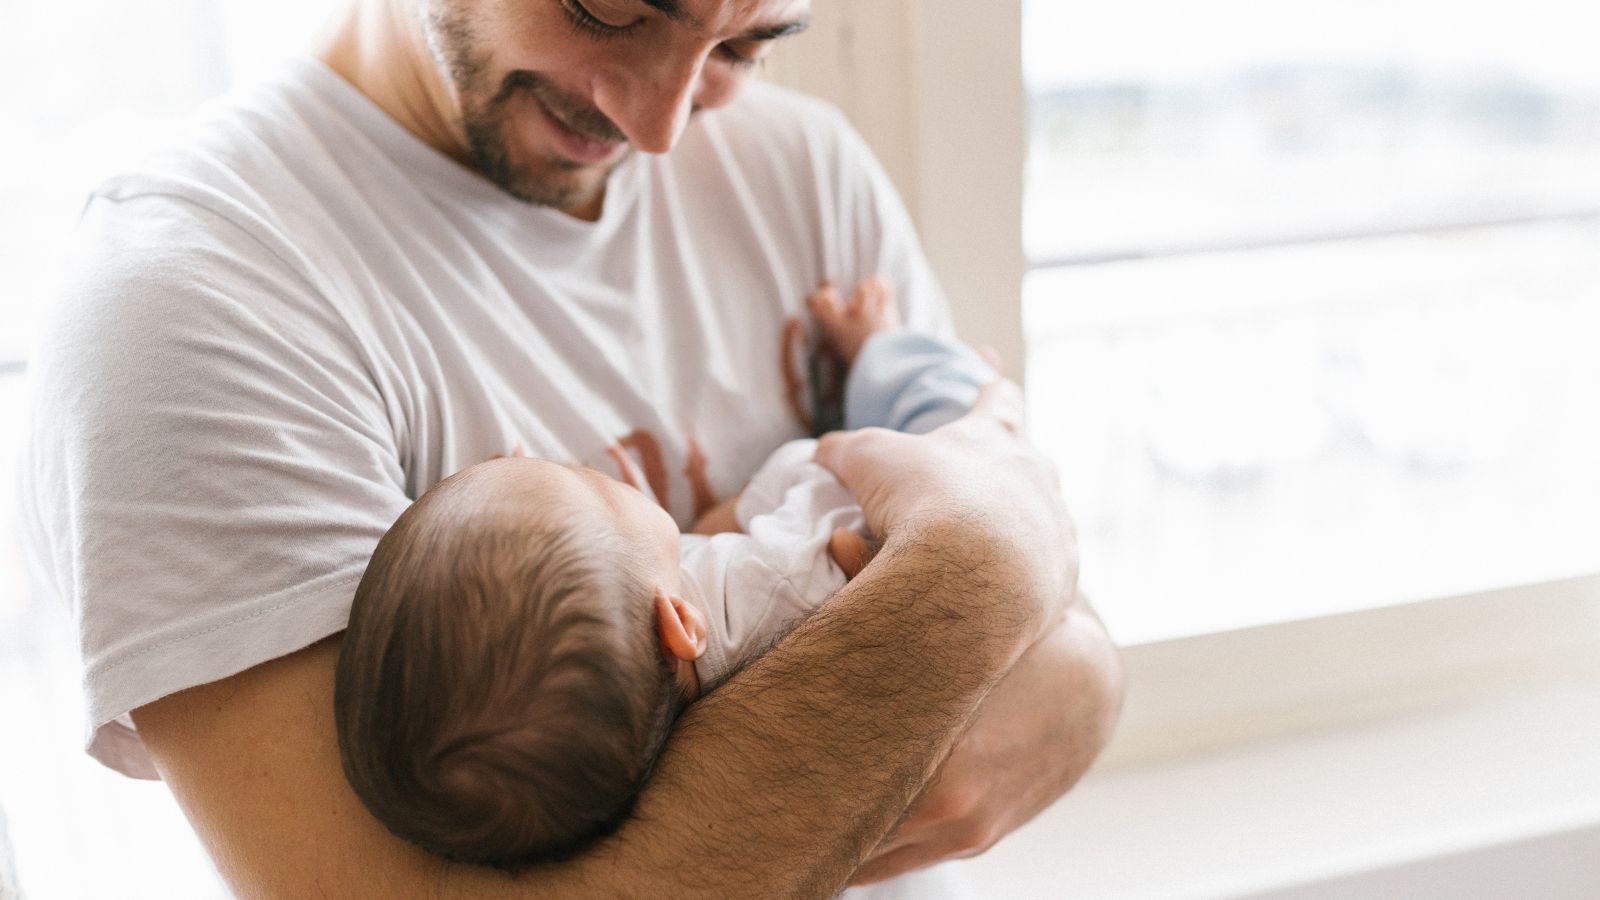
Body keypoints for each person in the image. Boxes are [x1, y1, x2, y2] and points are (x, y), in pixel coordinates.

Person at [20, 0, 1125, 895]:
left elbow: (1062, 630)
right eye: (611, 8)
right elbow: (1006, 531)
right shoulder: (192, 294)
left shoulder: (800, 165)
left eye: (744, 42)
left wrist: (1083, 681)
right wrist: (988, 572)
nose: (662, 126)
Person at [334, 274, 994, 868]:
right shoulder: (791, 585)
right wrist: (844, 445)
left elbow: (708, 547)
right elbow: (841, 496)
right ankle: (896, 352)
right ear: (677, 621)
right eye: (587, 486)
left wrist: (720, 524)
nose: (577, 465)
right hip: (938, 489)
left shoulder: (634, 713)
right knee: (922, 413)